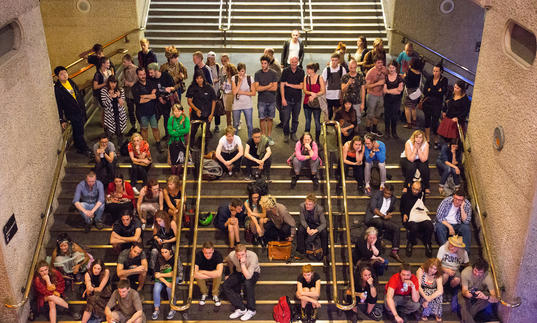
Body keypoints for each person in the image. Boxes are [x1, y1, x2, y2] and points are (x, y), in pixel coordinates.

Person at [54, 66, 91, 157]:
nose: (64, 75)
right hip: (72, 113)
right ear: (57, 77)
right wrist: (61, 119)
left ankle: (79, 146)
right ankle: (84, 148)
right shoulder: (58, 88)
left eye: (65, 72)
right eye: (61, 74)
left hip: (80, 109)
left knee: (79, 130)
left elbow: (77, 92)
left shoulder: (70, 81)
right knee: (79, 131)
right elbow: (58, 105)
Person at [365, 184, 403, 262]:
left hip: (383, 219)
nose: (387, 195)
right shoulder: (377, 194)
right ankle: (380, 239)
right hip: (373, 218)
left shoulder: (393, 199)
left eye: (389, 194)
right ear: (383, 190)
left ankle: (394, 251)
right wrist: (383, 216)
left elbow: (390, 209)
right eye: (385, 193)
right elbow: (373, 208)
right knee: (379, 222)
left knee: (397, 228)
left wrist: (388, 214)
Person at [223, 244, 261, 321]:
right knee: (226, 285)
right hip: (239, 272)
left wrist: (242, 264)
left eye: (242, 254)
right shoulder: (232, 255)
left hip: (253, 273)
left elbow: (248, 276)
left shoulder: (253, 256)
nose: (240, 257)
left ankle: (251, 310)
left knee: (248, 283)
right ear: (235, 253)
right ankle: (241, 308)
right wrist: (229, 273)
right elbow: (227, 260)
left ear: (246, 252)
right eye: (238, 255)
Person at [400, 181, 434, 257]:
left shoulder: (421, 195)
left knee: (430, 225)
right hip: (410, 217)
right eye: (414, 189)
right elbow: (401, 208)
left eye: (417, 189)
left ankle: (428, 243)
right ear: (411, 188)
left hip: (420, 216)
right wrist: (404, 214)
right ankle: (410, 242)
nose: (415, 191)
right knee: (414, 227)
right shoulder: (405, 196)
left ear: (420, 189)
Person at [458, 259, 498, 323]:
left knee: (486, 298)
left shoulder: (488, 277)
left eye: (480, 273)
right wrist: (467, 293)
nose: (477, 274)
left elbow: (496, 298)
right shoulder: (465, 272)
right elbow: (464, 290)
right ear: (473, 268)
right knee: (463, 303)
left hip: (480, 293)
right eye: (475, 271)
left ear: (484, 272)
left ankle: (466, 319)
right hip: (467, 291)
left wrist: (485, 297)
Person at [131, 68, 161, 148]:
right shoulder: (135, 87)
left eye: (144, 74)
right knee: (144, 129)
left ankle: (158, 143)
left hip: (153, 111)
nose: (143, 76)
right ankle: (145, 145)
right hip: (142, 113)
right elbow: (139, 101)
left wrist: (145, 96)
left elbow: (156, 96)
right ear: (137, 75)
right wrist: (151, 96)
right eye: (140, 75)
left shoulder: (152, 83)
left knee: (155, 128)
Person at [435, 188, 472, 253]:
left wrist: (462, 208)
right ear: (453, 197)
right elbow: (439, 217)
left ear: (463, 200)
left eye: (460, 200)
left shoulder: (467, 205)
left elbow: (466, 221)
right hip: (446, 223)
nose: (457, 201)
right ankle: (445, 251)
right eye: (455, 199)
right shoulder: (446, 201)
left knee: (466, 228)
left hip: (458, 225)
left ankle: (465, 253)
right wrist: (450, 227)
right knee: (439, 226)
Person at [186, 70, 216, 148]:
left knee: (205, 134)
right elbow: (189, 101)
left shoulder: (209, 87)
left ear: (203, 78)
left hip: (207, 115)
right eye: (197, 78)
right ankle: (190, 148)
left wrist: (211, 114)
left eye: (200, 78)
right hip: (195, 115)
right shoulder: (192, 87)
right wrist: (196, 110)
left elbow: (214, 101)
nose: (199, 80)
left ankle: (204, 149)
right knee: (192, 132)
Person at [147, 62, 175, 144]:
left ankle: (168, 136)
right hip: (157, 104)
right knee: (155, 120)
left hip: (167, 102)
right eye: (149, 72)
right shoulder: (151, 80)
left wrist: (168, 89)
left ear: (156, 71)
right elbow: (152, 91)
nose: (150, 74)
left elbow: (173, 87)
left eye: (151, 72)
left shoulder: (166, 76)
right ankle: (157, 139)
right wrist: (159, 97)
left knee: (167, 120)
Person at [423, 62, 448, 148]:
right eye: (434, 71)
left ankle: (436, 140)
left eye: (437, 71)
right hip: (428, 103)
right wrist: (437, 90)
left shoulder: (444, 80)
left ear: (441, 72)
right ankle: (427, 139)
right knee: (427, 121)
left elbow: (443, 92)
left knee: (435, 122)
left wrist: (431, 90)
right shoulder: (430, 78)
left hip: (437, 104)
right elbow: (425, 91)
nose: (435, 73)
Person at [280, 56, 305, 143]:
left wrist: (289, 85)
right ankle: (286, 134)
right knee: (286, 119)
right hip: (287, 99)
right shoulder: (285, 71)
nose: (294, 64)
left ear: (297, 62)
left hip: (297, 100)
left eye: (295, 62)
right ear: (289, 62)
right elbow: (282, 85)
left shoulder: (301, 72)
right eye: (292, 62)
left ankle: (293, 133)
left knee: (295, 118)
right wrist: (283, 98)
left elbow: (301, 86)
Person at [151, 243, 180, 320]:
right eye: (162, 252)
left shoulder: (174, 258)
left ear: (170, 251)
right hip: (162, 279)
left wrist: (161, 275)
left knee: (169, 289)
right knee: (156, 289)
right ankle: (156, 309)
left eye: (165, 252)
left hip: (173, 278)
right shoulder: (159, 258)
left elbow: (174, 273)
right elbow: (156, 274)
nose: (163, 254)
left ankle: (173, 308)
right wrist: (165, 281)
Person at [254, 55, 279, 144]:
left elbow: (275, 88)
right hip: (261, 100)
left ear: (268, 64)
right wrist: (269, 86)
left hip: (271, 100)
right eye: (262, 63)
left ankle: (269, 136)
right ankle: (263, 136)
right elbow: (257, 88)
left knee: (270, 119)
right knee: (262, 118)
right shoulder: (257, 74)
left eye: (265, 63)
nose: (263, 65)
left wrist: (263, 87)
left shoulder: (273, 73)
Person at [296, 194, 328, 259]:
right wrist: (307, 228)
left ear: (314, 204)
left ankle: (324, 253)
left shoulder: (319, 209)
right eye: (306, 204)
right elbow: (302, 220)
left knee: (324, 232)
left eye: (310, 204)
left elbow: (324, 223)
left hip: (316, 225)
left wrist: (316, 230)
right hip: (307, 224)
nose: (307, 206)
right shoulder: (302, 206)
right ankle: (301, 252)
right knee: (300, 230)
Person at [194, 241, 224, 307]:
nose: (208, 255)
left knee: (218, 275)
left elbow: (218, 273)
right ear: (202, 251)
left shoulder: (218, 254)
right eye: (205, 253)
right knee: (197, 276)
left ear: (213, 250)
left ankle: (215, 294)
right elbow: (195, 274)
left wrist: (202, 272)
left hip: (207, 274)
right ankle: (204, 293)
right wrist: (212, 274)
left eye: (210, 253)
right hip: (207, 275)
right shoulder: (198, 255)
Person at [400, 130, 431, 194]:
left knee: (424, 168)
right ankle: (406, 186)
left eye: (420, 137)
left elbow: (424, 159)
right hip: (407, 158)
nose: (418, 139)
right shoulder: (408, 143)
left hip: (420, 158)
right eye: (417, 137)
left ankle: (426, 186)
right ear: (414, 137)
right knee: (411, 167)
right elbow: (411, 159)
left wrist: (419, 149)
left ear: (423, 138)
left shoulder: (426, 144)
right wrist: (415, 149)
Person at [231, 63, 256, 138]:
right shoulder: (234, 78)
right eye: (239, 71)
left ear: (245, 70)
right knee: (235, 124)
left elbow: (254, 93)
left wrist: (242, 92)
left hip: (247, 105)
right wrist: (240, 82)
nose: (240, 73)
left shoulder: (250, 78)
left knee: (249, 124)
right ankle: (234, 141)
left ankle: (251, 141)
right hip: (236, 105)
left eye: (242, 71)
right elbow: (234, 92)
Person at [302, 62, 325, 141]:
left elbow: (323, 91)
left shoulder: (320, 78)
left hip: (316, 103)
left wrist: (315, 95)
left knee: (317, 121)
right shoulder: (306, 78)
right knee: (307, 121)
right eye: (307, 68)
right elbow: (304, 90)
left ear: (313, 70)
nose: (307, 70)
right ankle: (306, 140)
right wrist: (311, 93)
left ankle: (317, 140)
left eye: (309, 69)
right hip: (306, 102)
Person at [365, 55, 387, 136]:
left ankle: (374, 128)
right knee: (370, 114)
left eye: (382, 62)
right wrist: (378, 83)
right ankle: (367, 129)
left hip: (381, 95)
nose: (380, 64)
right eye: (378, 63)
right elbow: (366, 86)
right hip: (372, 95)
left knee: (378, 114)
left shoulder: (384, 70)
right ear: (375, 63)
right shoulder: (370, 72)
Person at [100, 75, 127, 140]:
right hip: (109, 115)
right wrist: (110, 97)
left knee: (119, 132)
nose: (113, 84)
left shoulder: (120, 90)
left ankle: (120, 145)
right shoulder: (104, 91)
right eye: (111, 82)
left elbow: (122, 103)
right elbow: (105, 104)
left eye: (115, 83)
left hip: (119, 114)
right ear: (108, 83)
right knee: (109, 134)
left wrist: (119, 96)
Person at [341, 58, 366, 127]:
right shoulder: (345, 77)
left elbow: (363, 90)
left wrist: (363, 104)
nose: (352, 69)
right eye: (351, 67)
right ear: (348, 67)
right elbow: (343, 90)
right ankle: (348, 133)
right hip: (347, 102)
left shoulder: (360, 76)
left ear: (356, 67)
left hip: (357, 101)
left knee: (357, 117)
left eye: (354, 68)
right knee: (346, 118)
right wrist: (348, 84)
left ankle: (356, 133)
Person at [322, 53, 347, 119]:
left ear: (338, 60)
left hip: (338, 94)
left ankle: (336, 124)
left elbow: (344, 82)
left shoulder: (342, 69)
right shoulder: (326, 70)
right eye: (332, 60)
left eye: (335, 60)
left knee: (337, 111)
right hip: (328, 95)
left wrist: (342, 94)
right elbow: (323, 83)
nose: (334, 62)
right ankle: (327, 124)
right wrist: (323, 94)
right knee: (328, 111)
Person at [167, 104, 190, 176]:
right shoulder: (171, 119)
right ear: (173, 112)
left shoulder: (186, 119)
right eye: (175, 111)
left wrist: (176, 131)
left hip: (182, 142)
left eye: (179, 111)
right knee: (173, 161)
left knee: (180, 161)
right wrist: (180, 131)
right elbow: (170, 131)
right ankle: (173, 175)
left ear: (182, 111)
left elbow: (186, 130)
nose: (177, 113)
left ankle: (178, 174)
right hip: (172, 142)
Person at [383, 60, 404, 139]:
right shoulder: (386, 77)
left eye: (393, 68)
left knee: (394, 116)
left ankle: (394, 132)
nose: (391, 69)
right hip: (387, 100)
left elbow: (399, 91)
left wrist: (389, 91)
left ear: (396, 68)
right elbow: (384, 90)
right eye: (390, 68)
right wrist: (393, 90)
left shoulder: (399, 78)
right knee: (387, 116)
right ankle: (387, 132)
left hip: (396, 100)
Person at [119, 54, 139, 135]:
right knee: (130, 112)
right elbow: (122, 80)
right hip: (128, 94)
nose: (123, 64)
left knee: (138, 112)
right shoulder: (124, 70)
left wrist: (131, 83)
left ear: (129, 61)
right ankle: (134, 127)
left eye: (124, 62)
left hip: (136, 94)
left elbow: (137, 81)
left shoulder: (136, 69)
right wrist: (125, 82)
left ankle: (141, 128)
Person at [403, 57, 424, 128]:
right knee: (413, 107)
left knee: (407, 108)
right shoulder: (419, 73)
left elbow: (406, 81)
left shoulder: (409, 72)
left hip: (409, 91)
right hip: (416, 92)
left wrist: (404, 76)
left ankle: (409, 123)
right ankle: (414, 122)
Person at [207, 51, 222, 132]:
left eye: (213, 58)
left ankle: (217, 125)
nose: (212, 60)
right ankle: (207, 125)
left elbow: (220, 76)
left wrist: (216, 80)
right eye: (210, 58)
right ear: (208, 58)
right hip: (208, 91)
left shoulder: (217, 66)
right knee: (208, 108)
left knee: (217, 109)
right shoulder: (206, 67)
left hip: (216, 91)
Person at [221, 63, 238, 127]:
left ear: (229, 70)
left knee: (235, 113)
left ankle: (236, 125)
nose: (224, 70)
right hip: (226, 96)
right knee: (228, 114)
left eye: (225, 69)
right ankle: (229, 127)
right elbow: (222, 87)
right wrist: (222, 87)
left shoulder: (236, 78)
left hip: (233, 96)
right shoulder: (224, 77)